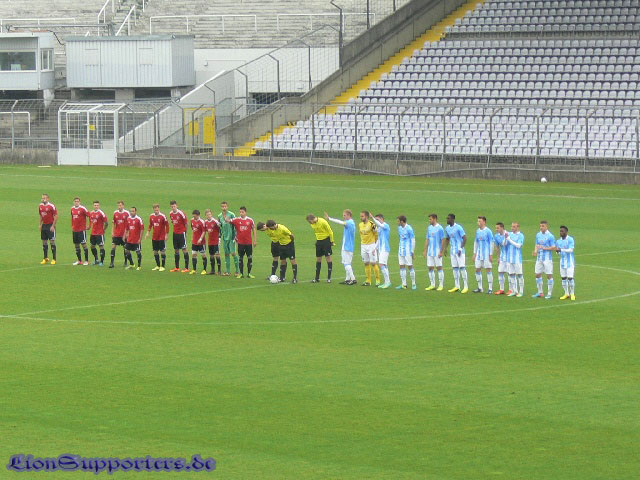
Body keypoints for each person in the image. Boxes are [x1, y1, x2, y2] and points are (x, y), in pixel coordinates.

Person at [325, 210, 357, 285]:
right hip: (349, 246)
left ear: (349, 215)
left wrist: (329, 218)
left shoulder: (349, 223)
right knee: (348, 263)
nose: (343, 217)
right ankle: (347, 279)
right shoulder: (351, 223)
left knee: (346, 264)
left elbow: (340, 222)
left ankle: (353, 279)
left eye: (344, 215)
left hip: (347, 247)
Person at [225, 206, 256, 278]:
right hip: (240, 243)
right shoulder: (236, 220)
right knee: (240, 258)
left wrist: (255, 240)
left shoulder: (250, 220)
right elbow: (228, 221)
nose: (241, 213)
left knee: (249, 258)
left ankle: (249, 273)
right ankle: (241, 273)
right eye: (240, 212)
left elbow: (254, 230)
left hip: (248, 243)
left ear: (245, 212)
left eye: (242, 212)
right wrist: (227, 215)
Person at [441, 213, 469, 294]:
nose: (447, 220)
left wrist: (460, 248)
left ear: (453, 219)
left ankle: (466, 286)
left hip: (460, 252)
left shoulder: (458, 227)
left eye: (448, 218)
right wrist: (445, 248)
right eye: (447, 218)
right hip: (452, 251)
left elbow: (465, 238)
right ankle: (457, 286)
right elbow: (447, 238)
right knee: (455, 268)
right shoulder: (447, 228)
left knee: (462, 267)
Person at [306, 214, 334, 283]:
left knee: (328, 258)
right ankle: (317, 278)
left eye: (309, 221)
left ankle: (329, 278)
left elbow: (330, 231)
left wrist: (332, 241)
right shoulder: (312, 224)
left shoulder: (323, 222)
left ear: (312, 219)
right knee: (318, 259)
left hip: (326, 241)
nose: (309, 223)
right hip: (319, 242)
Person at [533, 220, 555, 299]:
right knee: (537, 274)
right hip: (539, 258)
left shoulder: (550, 236)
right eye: (540, 226)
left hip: (547, 259)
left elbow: (553, 247)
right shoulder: (538, 234)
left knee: (549, 275)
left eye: (543, 226)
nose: (541, 227)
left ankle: (549, 293)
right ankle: (540, 292)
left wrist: (545, 248)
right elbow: (537, 244)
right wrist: (535, 251)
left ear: (546, 226)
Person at [357, 211, 380, 286]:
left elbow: (376, 234)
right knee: (366, 263)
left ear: (366, 217)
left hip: (371, 245)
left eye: (362, 216)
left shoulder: (372, 224)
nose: (361, 218)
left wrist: (375, 245)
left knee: (373, 263)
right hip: (363, 246)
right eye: (360, 216)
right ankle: (368, 280)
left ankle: (377, 280)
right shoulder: (360, 225)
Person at [423, 213, 445, 291]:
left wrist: (441, 251)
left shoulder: (440, 228)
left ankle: (441, 285)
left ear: (435, 219)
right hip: (430, 251)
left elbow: (443, 240)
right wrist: (425, 250)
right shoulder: (429, 228)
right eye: (429, 219)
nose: (429, 220)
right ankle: (432, 284)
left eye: (430, 219)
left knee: (439, 267)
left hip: (437, 251)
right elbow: (427, 239)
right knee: (430, 267)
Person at [217, 201, 240, 277]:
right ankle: (228, 271)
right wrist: (220, 236)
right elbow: (220, 227)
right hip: (225, 237)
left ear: (227, 207)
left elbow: (236, 224)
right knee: (226, 253)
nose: (224, 208)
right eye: (222, 206)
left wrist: (236, 235)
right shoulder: (219, 216)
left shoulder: (231, 214)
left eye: (225, 206)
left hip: (232, 237)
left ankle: (237, 271)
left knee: (233, 253)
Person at [473, 216, 494, 294]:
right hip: (479, 254)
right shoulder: (478, 231)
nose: (478, 223)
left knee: (488, 269)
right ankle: (480, 288)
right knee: (477, 269)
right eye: (478, 221)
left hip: (486, 254)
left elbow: (491, 243)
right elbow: (476, 242)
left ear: (484, 222)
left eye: (480, 221)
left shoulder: (488, 231)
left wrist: (491, 254)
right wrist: (474, 253)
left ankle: (490, 288)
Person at [370, 213, 392, 288]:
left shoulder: (386, 225)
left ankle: (388, 282)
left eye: (378, 219)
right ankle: (386, 282)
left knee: (381, 264)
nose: (376, 221)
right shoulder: (379, 228)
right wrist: (374, 248)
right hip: (381, 249)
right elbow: (379, 240)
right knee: (384, 265)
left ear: (382, 219)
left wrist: (372, 218)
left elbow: (380, 224)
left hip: (385, 248)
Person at [145, 203, 169, 272]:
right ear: (153, 209)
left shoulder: (163, 216)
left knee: (162, 251)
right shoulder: (151, 216)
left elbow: (167, 225)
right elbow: (150, 225)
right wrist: (148, 232)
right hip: (154, 237)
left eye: (157, 210)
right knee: (155, 251)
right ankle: (158, 265)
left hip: (161, 237)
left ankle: (163, 266)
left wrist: (166, 234)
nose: (156, 211)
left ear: (159, 209)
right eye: (155, 210)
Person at [555, 225, 576, 301]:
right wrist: (557, 252)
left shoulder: (570, 239)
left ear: (566, 232)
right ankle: (566, 293)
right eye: (560, 231)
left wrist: (561, 250)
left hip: (570, 262)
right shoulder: (558, 241)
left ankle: (572, 294)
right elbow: (558, 252)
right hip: (562, 262)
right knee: (563, 278)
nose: (561, 232)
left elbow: (571, 250)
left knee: (570, 278)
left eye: (562, 231)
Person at [396, 215, 417, 290]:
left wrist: (412, 251)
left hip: (407, 250)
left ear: (402, 221)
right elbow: (400, 238)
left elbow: (413, 240)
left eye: (398, 221)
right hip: (400, 250)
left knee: (410, 266)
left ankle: (413, 284)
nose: (397, 222)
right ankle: (404, 284)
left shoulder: (409, 228)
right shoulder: (399, 228)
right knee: (401, 266)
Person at [169, 200, 190, 273]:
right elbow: (173, 221)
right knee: (176, 249)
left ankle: (186, 268)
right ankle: (177, 267)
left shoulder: (181, 213)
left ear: (177, 206)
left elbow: (186, 223)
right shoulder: (171, 213)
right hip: (175, 233)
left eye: (174, 206)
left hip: (181, 233)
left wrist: (185, 232)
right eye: (172, 206)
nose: (173, 208)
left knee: (184, 249)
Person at [505, 222, 525, 297]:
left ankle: (521, 291)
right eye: (512, 226)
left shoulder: (520, 235)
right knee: (511, 274)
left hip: (517, 259)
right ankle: (514, 291)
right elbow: (505, 244)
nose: (512, 228)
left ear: (518, 227)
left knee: (519, 274)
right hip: (509, 258)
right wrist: (506, 239)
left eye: (514, 227)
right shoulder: (510, 234)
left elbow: (518, 245)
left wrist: (509, 239)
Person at [109, 201, 130, 268]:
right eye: (118, 205)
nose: (119, 207)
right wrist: (112, 232)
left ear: (123, 206)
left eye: (120, 205)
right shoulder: (115, 213)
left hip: (124, 234)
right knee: (113, 247)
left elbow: (129, 224)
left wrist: (127, 233)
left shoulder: (127, 213)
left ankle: (126, 262)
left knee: (125, 248)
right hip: (117, 234)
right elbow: (113, 223)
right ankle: (112, 263)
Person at [39, 193, 58, 265]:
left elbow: (56, 216)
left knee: (52, 242)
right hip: (44, 226)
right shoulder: (40, 206)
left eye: (44, 198)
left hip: (50, 225)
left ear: (48, 199)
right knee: (44, 242)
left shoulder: (51, 206)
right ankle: (45, 258)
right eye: (42, 198)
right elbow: (41, 216)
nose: (43, 199)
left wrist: (53, 226)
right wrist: (40, 224)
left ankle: (54, 259)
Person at [123, 206, 144, 270]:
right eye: (131, 211)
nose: (131, 212)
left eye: (133, 211)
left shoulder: (139, 219)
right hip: (130, 239)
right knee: (126, 250)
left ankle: (139, 266)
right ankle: (132, 264)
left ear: (135, 212)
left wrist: (140, 239)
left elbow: (142, 229)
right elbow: (127, 228)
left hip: (136, 239)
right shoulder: (128, 219)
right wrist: (125, 235)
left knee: (138, 251)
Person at [70, 197, 90, 266]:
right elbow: (72, 217)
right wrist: (72, 225)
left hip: (81, 230)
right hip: (75, 230)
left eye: (77, 201)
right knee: (76, 245)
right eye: (75, 201)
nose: (76, 202)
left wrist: (89, 225)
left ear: (79, 202)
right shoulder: (72, 209)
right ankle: (79, 260)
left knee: (84, 244)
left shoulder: (83, 208)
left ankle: (86, 261)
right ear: (73, 202)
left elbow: (89, 216)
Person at [89, 201, 108, 266]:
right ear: (93, 206)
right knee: (92, 246)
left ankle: (102, 262)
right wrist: (89, 227)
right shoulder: (91, 213)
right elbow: (92, 222)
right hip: (93, 233)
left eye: (97, 205)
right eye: (95, 205)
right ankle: (96, 260)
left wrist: (103, 229)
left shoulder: (101, 213)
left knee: (101, 246)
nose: (96, 206)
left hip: (100, 233)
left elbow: (106, 223)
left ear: (99, 206)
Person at [204, 209, 222, 275]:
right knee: (211, 255)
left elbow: (221, 228)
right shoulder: (205, 222)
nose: (208, 216)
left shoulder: (215, 221)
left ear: (211, 214)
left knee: (217, 255)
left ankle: (219, 270)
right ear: (205, 215)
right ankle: (213, 270)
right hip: (210, 241)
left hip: (216, 241)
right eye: (207, 215)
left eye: (209, 214)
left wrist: (219, 237)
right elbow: (205, 230)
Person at [493, 222, 508, 295]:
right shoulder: (496, 236)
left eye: (498, 228)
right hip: (502, 257)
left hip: (510, 257)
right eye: (496, 228)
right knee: (500, 272)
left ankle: (512, 290)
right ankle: (501, 289)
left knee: (510, 273)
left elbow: (506, 244)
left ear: (502, 228)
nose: (496, 229)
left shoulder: (508, 234)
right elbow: (497, 247)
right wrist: (498, 257)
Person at [190, 210, 207, 275]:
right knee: (194, 254)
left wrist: (200, 239)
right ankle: (194, 269)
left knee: (203, 255)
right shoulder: (192, 220)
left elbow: (204, 231)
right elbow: (193, 229)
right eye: (193, 216)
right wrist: (192, 237)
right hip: (194, 241)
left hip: (201, 242)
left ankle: (204, 270)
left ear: (198, 215)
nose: (194, 217)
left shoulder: (202, 222)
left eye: (195, 216)